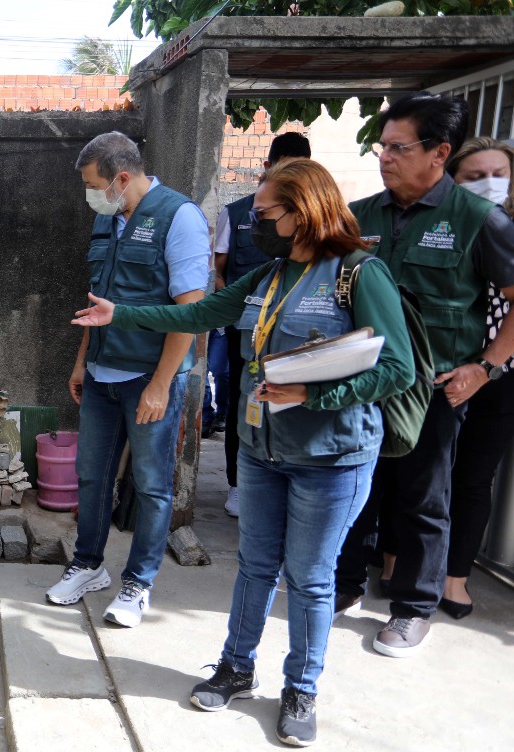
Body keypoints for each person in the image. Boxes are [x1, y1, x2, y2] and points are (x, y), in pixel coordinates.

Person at [70, 159, 413, 747]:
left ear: (303, 212)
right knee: (254, 566)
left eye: (264, 213)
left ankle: (301, 688)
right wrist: (121, 313)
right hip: (262, 451)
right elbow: (199, 313)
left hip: (330, 458)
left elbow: (397, 369)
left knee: (309, 579)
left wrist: (314, 394)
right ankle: (236, 666)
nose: (253, 225)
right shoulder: (269, 276)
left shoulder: (358, 274)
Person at [333, 94, 514, 657]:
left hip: (433, 387)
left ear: (439, 153)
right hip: (365, 381)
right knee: (357, 487)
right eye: (382, 146)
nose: (384, 156)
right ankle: (343, 585)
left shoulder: (479, 219)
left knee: (423, 497)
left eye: (398, 147)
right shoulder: (360, 216)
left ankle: (414, 608)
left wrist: (485, 369)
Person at [44, 131, 209, 628]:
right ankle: (88, 565)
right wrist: (82, 360)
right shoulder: (108, 218)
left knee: (152, 484)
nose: (90, 196)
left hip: (148, 378)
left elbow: (191, 313)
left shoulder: (179, 217)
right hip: (101, 374)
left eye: (94, 186)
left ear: (121, 177)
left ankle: (138, 583)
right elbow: (97, 300)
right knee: (91, 475)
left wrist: (161, 384)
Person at [213, 132, 314, 516]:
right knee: (244, 400)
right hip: (247, 333)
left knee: (289, 403)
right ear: (267, 167)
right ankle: (239, 483)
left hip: (297, 336)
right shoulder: (240, 216)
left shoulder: (326, 233)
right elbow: (216, 279)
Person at [440, 137, 514, 620]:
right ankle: (398, 561)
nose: (489, 184)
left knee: (472, 478)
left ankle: (455, 579)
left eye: (499, 174)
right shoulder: (442, 226)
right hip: (439, 367)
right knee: (418, 473)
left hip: (500, 373)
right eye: (475, 176)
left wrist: (487, 368)